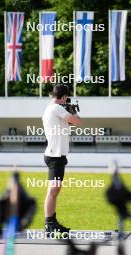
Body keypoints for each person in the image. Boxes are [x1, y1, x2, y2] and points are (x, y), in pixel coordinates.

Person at [42, 84, 82, 236]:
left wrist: (70, 111)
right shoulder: (57, 109)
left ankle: (52, 222)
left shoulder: (52, 109)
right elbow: (78, 122)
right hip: (55, 156)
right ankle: (49, 224)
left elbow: (71, 123)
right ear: (64, 97)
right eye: (66, 98)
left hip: (56, 154)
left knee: (54, 190)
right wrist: (74, 111)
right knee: (53, 190)